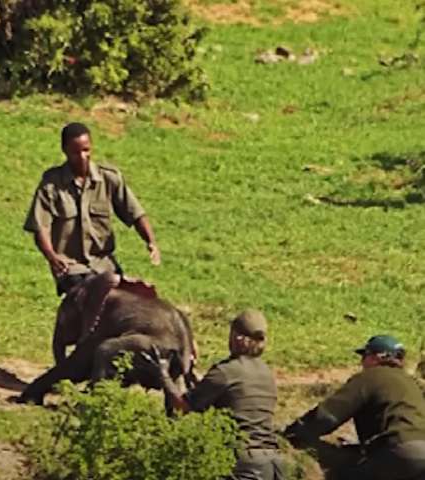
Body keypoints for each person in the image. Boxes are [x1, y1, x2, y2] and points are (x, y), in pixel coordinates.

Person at [23, 122, 160, 337]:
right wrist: (52, 256)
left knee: (130, 301)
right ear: (65, 151)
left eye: (87, 150)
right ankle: (85, 344)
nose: (83, 156)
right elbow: (41, 227)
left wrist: (150, 241)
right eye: (76, 152)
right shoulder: (51, 185)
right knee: (92, 297)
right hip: (71, 266)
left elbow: (135, 213)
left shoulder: (109, 178)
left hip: (104, 263)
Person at [145, 309, 284, 480]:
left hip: (245, 464)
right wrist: (193, 377)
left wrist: (163, 375)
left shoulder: (226, 371)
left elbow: (184, 407)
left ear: (238, 338)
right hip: (273, 463)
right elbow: (226, 393)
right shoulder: (266, 373)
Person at [283, 335, 425, 480]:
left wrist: (293, 433)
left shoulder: (371, 376)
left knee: (340, 471)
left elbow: (328, 415)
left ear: (377, 357)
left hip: (396, 452)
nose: (361, 362)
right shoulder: (411, 383)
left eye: (364, 356)